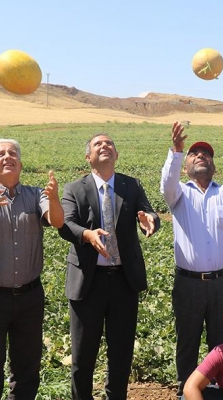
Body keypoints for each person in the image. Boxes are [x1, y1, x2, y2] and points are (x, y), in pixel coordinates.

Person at [58, 133, 160, 400]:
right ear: (88, 157)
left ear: (116, 155)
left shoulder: (131, 185)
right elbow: (66, 224)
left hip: (123, 281)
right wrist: (87, 235)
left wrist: (149, 220)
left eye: (109, 144)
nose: (105, 146)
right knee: (83, 356)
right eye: (97, 144)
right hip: (87, 282)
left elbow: (148, 212)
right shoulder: (74, 189)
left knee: (121, 353)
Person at [161, 121, 223, 393]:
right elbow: (167, 182)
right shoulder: (178, 194)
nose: (201, 156)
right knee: (187, 340)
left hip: (222, 282)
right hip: (188, 283)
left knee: (222, 340)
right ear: (187, 164)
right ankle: (185, 391)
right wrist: (176, 151)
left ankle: (219, 390)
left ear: (213, 165)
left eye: (206, 154)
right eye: (195, 154)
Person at [0, 139, 63, 400]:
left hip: (29, 298)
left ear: (20, 164)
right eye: (1, 154)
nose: (8, 157)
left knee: (27, 369)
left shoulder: (36, 195)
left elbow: (56, 221)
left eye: (13, 154)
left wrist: (54, 199)